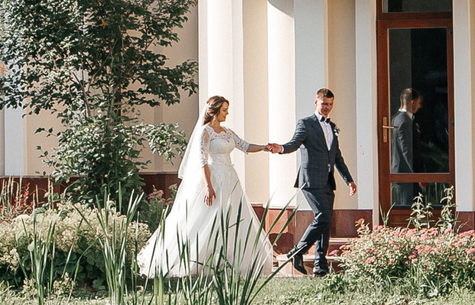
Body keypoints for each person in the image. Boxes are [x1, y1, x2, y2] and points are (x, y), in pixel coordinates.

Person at [138, 96, 277, 278]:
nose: (227, 113)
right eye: (224, 110)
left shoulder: (227, 132)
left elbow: (244, 145)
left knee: (232, 217)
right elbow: (202, 160)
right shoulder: (206, 131)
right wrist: (208, 186)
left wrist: (265, 147)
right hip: (214, 177)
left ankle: (230, 261)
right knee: (207, 218)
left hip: (230, 178)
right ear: (216, 110)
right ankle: (200, 261)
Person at [273, 88, 355, 276]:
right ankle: (297, 252)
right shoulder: (306, 123)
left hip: (327, 180)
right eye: (324, 103)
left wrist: (348, 180)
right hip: (310, 179)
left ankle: (320, 265)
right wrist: (281, 148)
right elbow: (294, 143)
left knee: (325, 222)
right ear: (316, 102)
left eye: (330, 104)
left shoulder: (332, 126)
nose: (327, 107)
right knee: (323, 217)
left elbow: (337, 157)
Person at [390, 90, 421, 211]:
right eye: (418, 103)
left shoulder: (395, 119)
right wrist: (418, 176)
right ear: (412, 102)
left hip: (402, 174)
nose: (419, 106)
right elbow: (407, 151)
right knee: (408, 211)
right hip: (406, 175)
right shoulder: (403, 121)